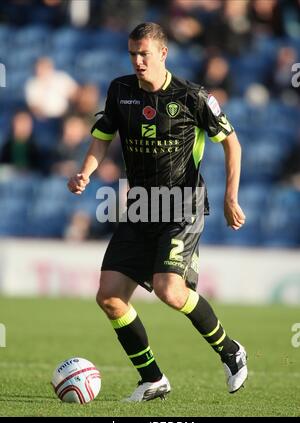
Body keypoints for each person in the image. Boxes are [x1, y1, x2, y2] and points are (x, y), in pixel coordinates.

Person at [67, 22, 248, 402]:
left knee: (169, 289)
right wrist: (85, 171)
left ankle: (230, 350)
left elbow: (232, 143)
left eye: (144, 54)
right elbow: (102, 138)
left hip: (183, 206)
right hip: (140, 208)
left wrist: (231, 197)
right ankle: (152, 379)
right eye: (132, 53)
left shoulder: (192, 97)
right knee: (110, 296)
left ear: (163, 53)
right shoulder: (121, 91)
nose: (137, 61)